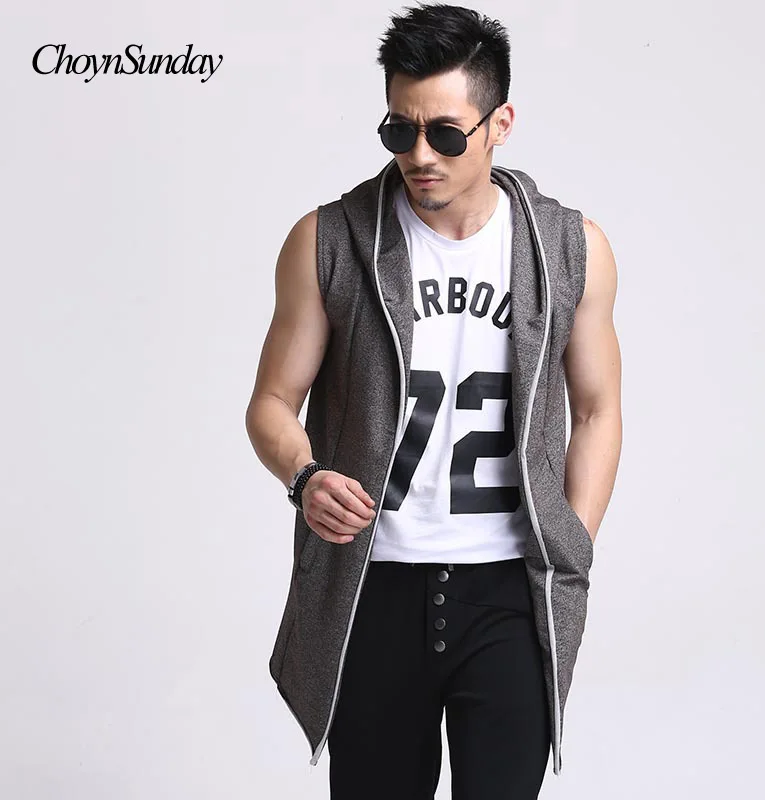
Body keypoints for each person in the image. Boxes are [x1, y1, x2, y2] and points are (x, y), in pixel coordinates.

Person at [245, 3, 622, 798]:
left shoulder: (570, 249)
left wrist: (572, 543)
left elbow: (597, 409)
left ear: (499, 124)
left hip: (509, 589)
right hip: (373, 587)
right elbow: (272, 402)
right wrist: (305, 478)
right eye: (399, 130)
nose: (420, 155)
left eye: (446, 134)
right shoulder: (329, 240)